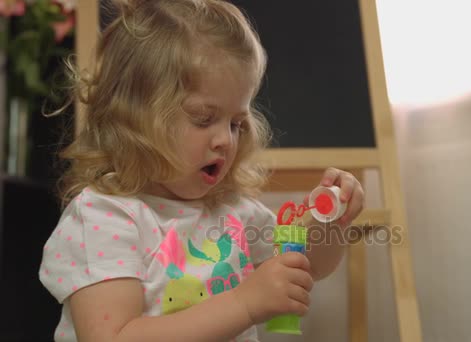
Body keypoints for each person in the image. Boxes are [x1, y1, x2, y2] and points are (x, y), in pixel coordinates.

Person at [38, 0, 364, 341]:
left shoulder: (232, 211)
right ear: (134, 120)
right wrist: (244, 304)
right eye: (204, 119)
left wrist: (332, 222)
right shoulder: (104, 218)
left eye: (237, 123)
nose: (225, 139)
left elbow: (308, 266)